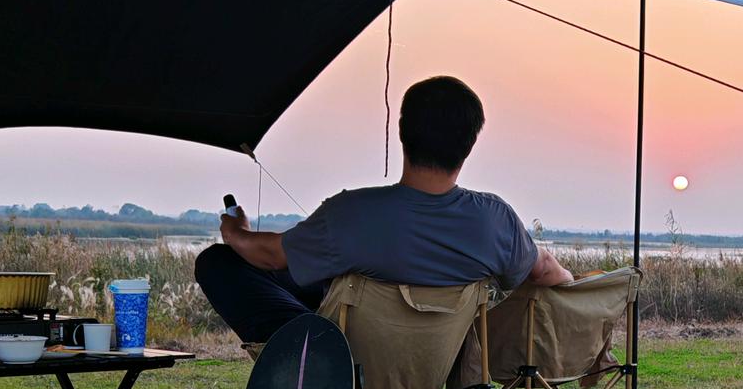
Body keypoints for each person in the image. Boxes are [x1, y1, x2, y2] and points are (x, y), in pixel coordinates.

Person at [195, 75, 572, 343]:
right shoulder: (496, 221)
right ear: (470, 144)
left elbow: (268, 255)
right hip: (437, 371)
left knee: (217, 262)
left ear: (402, 130)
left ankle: (308, 359)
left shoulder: (351, 213)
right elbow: (545, 272)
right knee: (320, 278)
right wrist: (585, 305)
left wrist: (235, 232)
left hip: (349, 365)